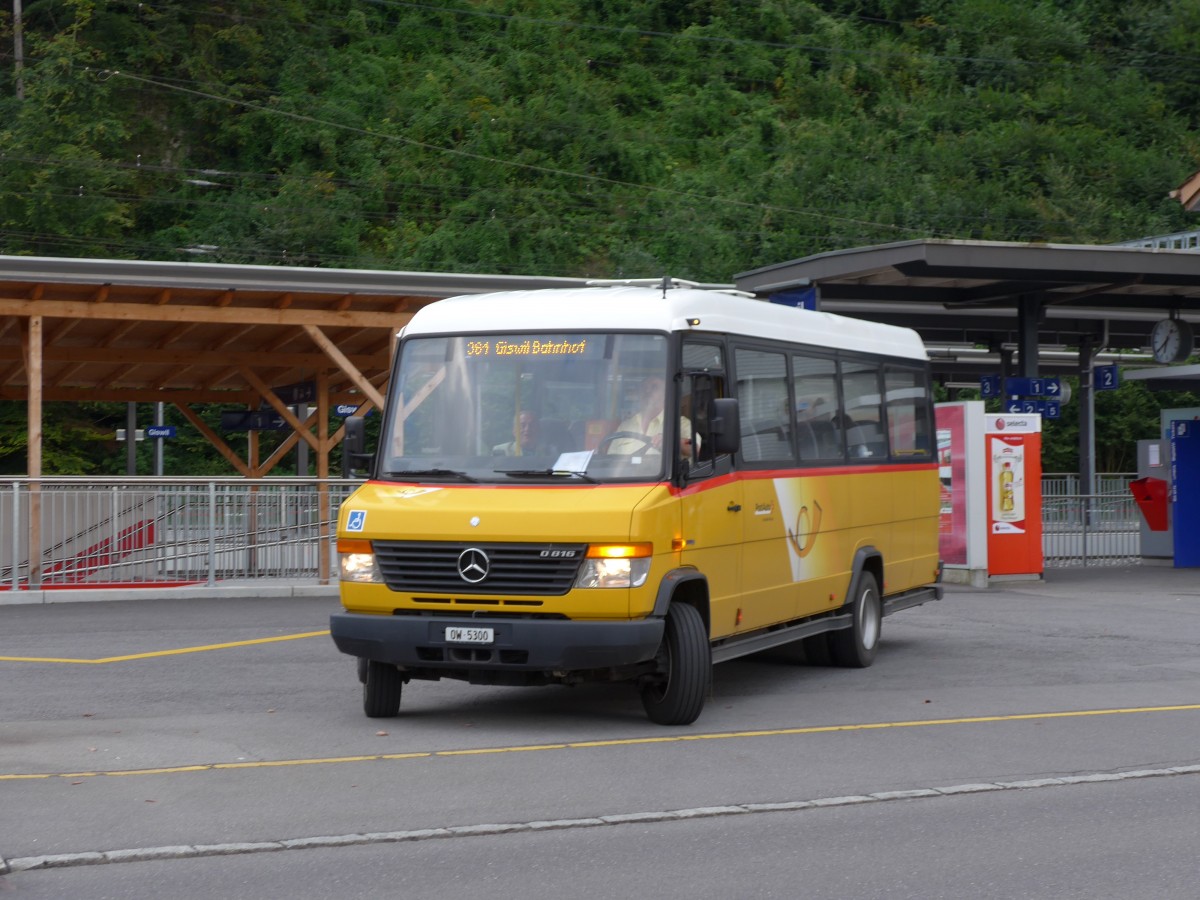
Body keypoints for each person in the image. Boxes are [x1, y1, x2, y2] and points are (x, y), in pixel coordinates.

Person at [610, 377, 693, 457]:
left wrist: (670, 442)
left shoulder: (680, 424)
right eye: (644, 388)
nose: (647, 391)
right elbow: (610, 460)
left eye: (654, 387)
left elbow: (694, 449)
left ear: (666, 394)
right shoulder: (625, 426)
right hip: (624, 471)